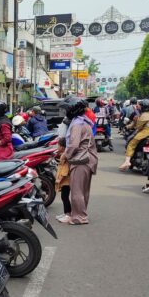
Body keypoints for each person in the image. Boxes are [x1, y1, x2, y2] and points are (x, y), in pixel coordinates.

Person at [60, 96, 98, 225]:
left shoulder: (77, 124)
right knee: (83, 191)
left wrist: (64, 155)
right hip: (88, 159)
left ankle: (79, 217)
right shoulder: (84, 121)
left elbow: (73, 145)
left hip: (80, 160)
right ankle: (80, 214)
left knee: (77, 191)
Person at [119, 99, 149, 171]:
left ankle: (127, 161)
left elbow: (138, 127)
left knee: (131, 144)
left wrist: (135, 121)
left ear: (144, 107)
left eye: (140, 105)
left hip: (144, 134)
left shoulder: (144, 115)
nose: (138, 107)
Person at [55, 137, 72, 224]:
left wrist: (59, 179)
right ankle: (66, 213)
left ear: (62, 147)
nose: (57, 147)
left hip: (66, 181)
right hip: (65, 180)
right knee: (64, 197)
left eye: (58, 145)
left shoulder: (64, 156)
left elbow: (65, 169)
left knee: (65, 197)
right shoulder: (63, 154)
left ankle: (68, 215)